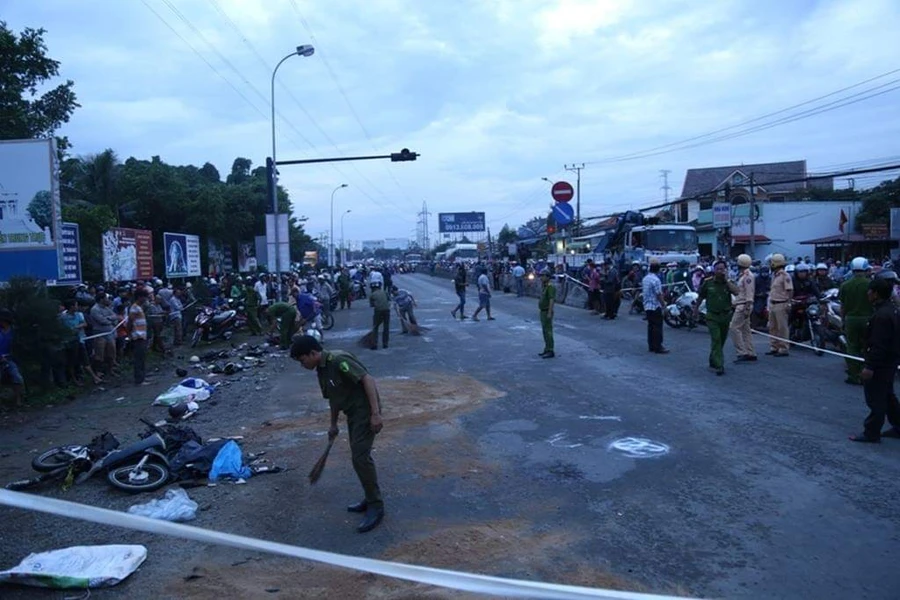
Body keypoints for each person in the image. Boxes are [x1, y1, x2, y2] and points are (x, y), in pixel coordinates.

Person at [291, 335, 385, 532]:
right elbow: (334, 398)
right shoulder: (322, 369)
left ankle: (376, 505)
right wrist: (333, 424)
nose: (302, 365)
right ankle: (370, 498)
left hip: (365, 412)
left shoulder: (338, 361)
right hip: (352, 413)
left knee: (360, 457)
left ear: (313, 353)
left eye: (302, 360)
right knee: (359, 457)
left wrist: (375, 414)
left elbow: (367, 379)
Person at [848, 278, 900, 443]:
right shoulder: (891, 310)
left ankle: (871, 432)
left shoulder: (882, 316)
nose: (868, 293)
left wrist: (869, 366)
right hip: (890, 360)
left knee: (876, 399)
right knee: (887, 395)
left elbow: (878, 344)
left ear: (876, 293)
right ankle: (898, 426)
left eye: (870, 291)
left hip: (881, 363)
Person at [696, 260, 737, 375]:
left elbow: (737, 292)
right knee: (716, 339)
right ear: (714, 270)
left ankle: (713, 359)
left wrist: (727, 281)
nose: (720, 271)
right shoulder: (708, 283)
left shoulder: (728, 283)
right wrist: (695, 311)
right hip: (712, 316)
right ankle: (719, 365)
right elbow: (700, 297)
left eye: (722, 269)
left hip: (725, 316)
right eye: (718, 269)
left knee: (721, 340)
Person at [839, 257, 873, 385]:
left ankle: (854, 375)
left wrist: (843, 321)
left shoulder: (845, 285)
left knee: (852, 347)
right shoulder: (871, 284)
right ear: (866, 268)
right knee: (868, 346)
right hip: (868, 319)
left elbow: (842, 306)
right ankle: (867, 373)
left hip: (851, 319)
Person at [730, 254, 757, 363]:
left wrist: (747, 307)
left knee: (734, 328)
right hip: (743, 304)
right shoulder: (743, 275)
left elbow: (749, 293)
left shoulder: (747, 276)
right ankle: (750, 352)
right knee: (746, 330)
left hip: (743, 305)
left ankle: (741, 352)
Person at [766, 254, 793, 358]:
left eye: (771, 263)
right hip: (773, 303)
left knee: (782, 327)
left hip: (781, 303)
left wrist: (789, 303)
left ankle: (783, 348)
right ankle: (774, 347)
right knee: (772, 327)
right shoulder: (774, 275)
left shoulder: (785, 276)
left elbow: (789, 290)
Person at [642, 259, 668, 354]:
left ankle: (651, 345)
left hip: (647, 305)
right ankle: (658, 346)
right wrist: (664, 305)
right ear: (658, 269)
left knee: (651, 327)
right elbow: (659, 294)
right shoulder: (656, 280)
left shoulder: (645, 278)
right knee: (657, 327)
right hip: (655, 306)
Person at [0, 309, 24, 408]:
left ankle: (18, 399)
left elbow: (18, 346)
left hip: (9, 358)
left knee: (17, 377)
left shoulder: (14, 331)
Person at [128, 287, 150, 385]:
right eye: (144, 297)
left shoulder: (139, 307)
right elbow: (130, 322)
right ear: (140, 297)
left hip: (142, 336)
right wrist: (129, 334)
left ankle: (142, 378)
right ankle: (139, 380)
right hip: (137, 336)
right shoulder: (134, 308)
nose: (146, 299)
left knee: (142, 358)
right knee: (139, 359)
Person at [538, 268, 556, 358]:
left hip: (546, 311)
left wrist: (549, 312)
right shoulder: (544, 286)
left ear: (547, 276)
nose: (541, 278)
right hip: (542, 311)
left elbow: (551, 300)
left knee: (548, 331)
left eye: (542, 276)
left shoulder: (550, 287)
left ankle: (550, 350)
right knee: (544, 331)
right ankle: (546, 348)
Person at [369, 282, 391, 349]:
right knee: (386, 327)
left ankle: (374, 344)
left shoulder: (372, 295)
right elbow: (389, 299)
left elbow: (372, 305)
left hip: (378, 311)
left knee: (375, 327)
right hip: (387, 310)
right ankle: (385, 344)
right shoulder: (384, 292)